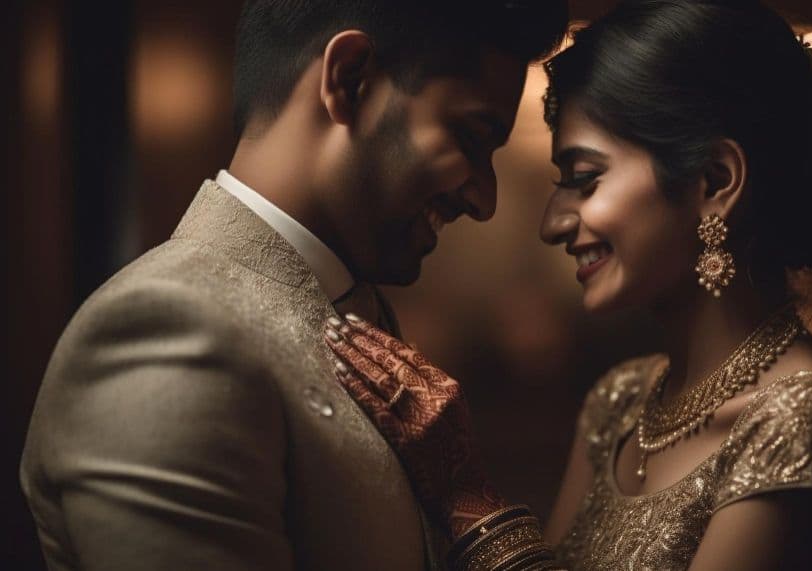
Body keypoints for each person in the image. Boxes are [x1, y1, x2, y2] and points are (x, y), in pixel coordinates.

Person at [324, 0, 812, 569]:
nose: (551, 223)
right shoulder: (619, 402)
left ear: (715, 181)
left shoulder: (804, 415)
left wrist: (467, 498)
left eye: (584, 179)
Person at [19, 1, 568, 569]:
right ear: (351, 79)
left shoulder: (348, 308)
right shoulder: (165, 334)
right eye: (470, 137)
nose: (485, 199)